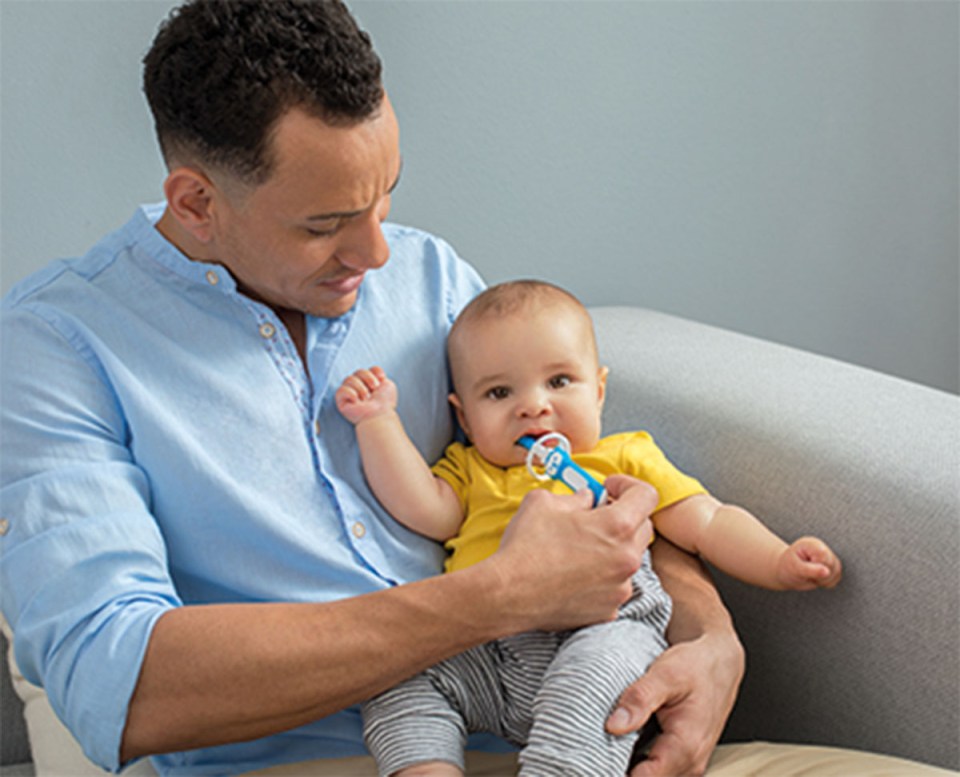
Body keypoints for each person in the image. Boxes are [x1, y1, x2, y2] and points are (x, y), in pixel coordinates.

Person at [0, 2, 745, 775]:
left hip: (555, 735)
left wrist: (708, 637)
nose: (379, 250)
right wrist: (497, 595)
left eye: (386, 196)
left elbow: (580, 484)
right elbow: (117, 684)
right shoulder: (57, 343)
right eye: (326, 224)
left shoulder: (435, 282)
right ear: (196, 203)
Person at [336, 280, 842, 776]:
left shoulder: (621, 457)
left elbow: (705, 522)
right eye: (498, 392)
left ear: (598, 392)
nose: (532, 406)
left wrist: (778, 560)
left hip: (607, 630)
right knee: (397, 676)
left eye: (558, 382)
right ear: (464, 417)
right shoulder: (472, 471)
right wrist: (378, 423)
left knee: (590, 680)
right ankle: (426, 768)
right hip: (489, 653)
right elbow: (421, 506)